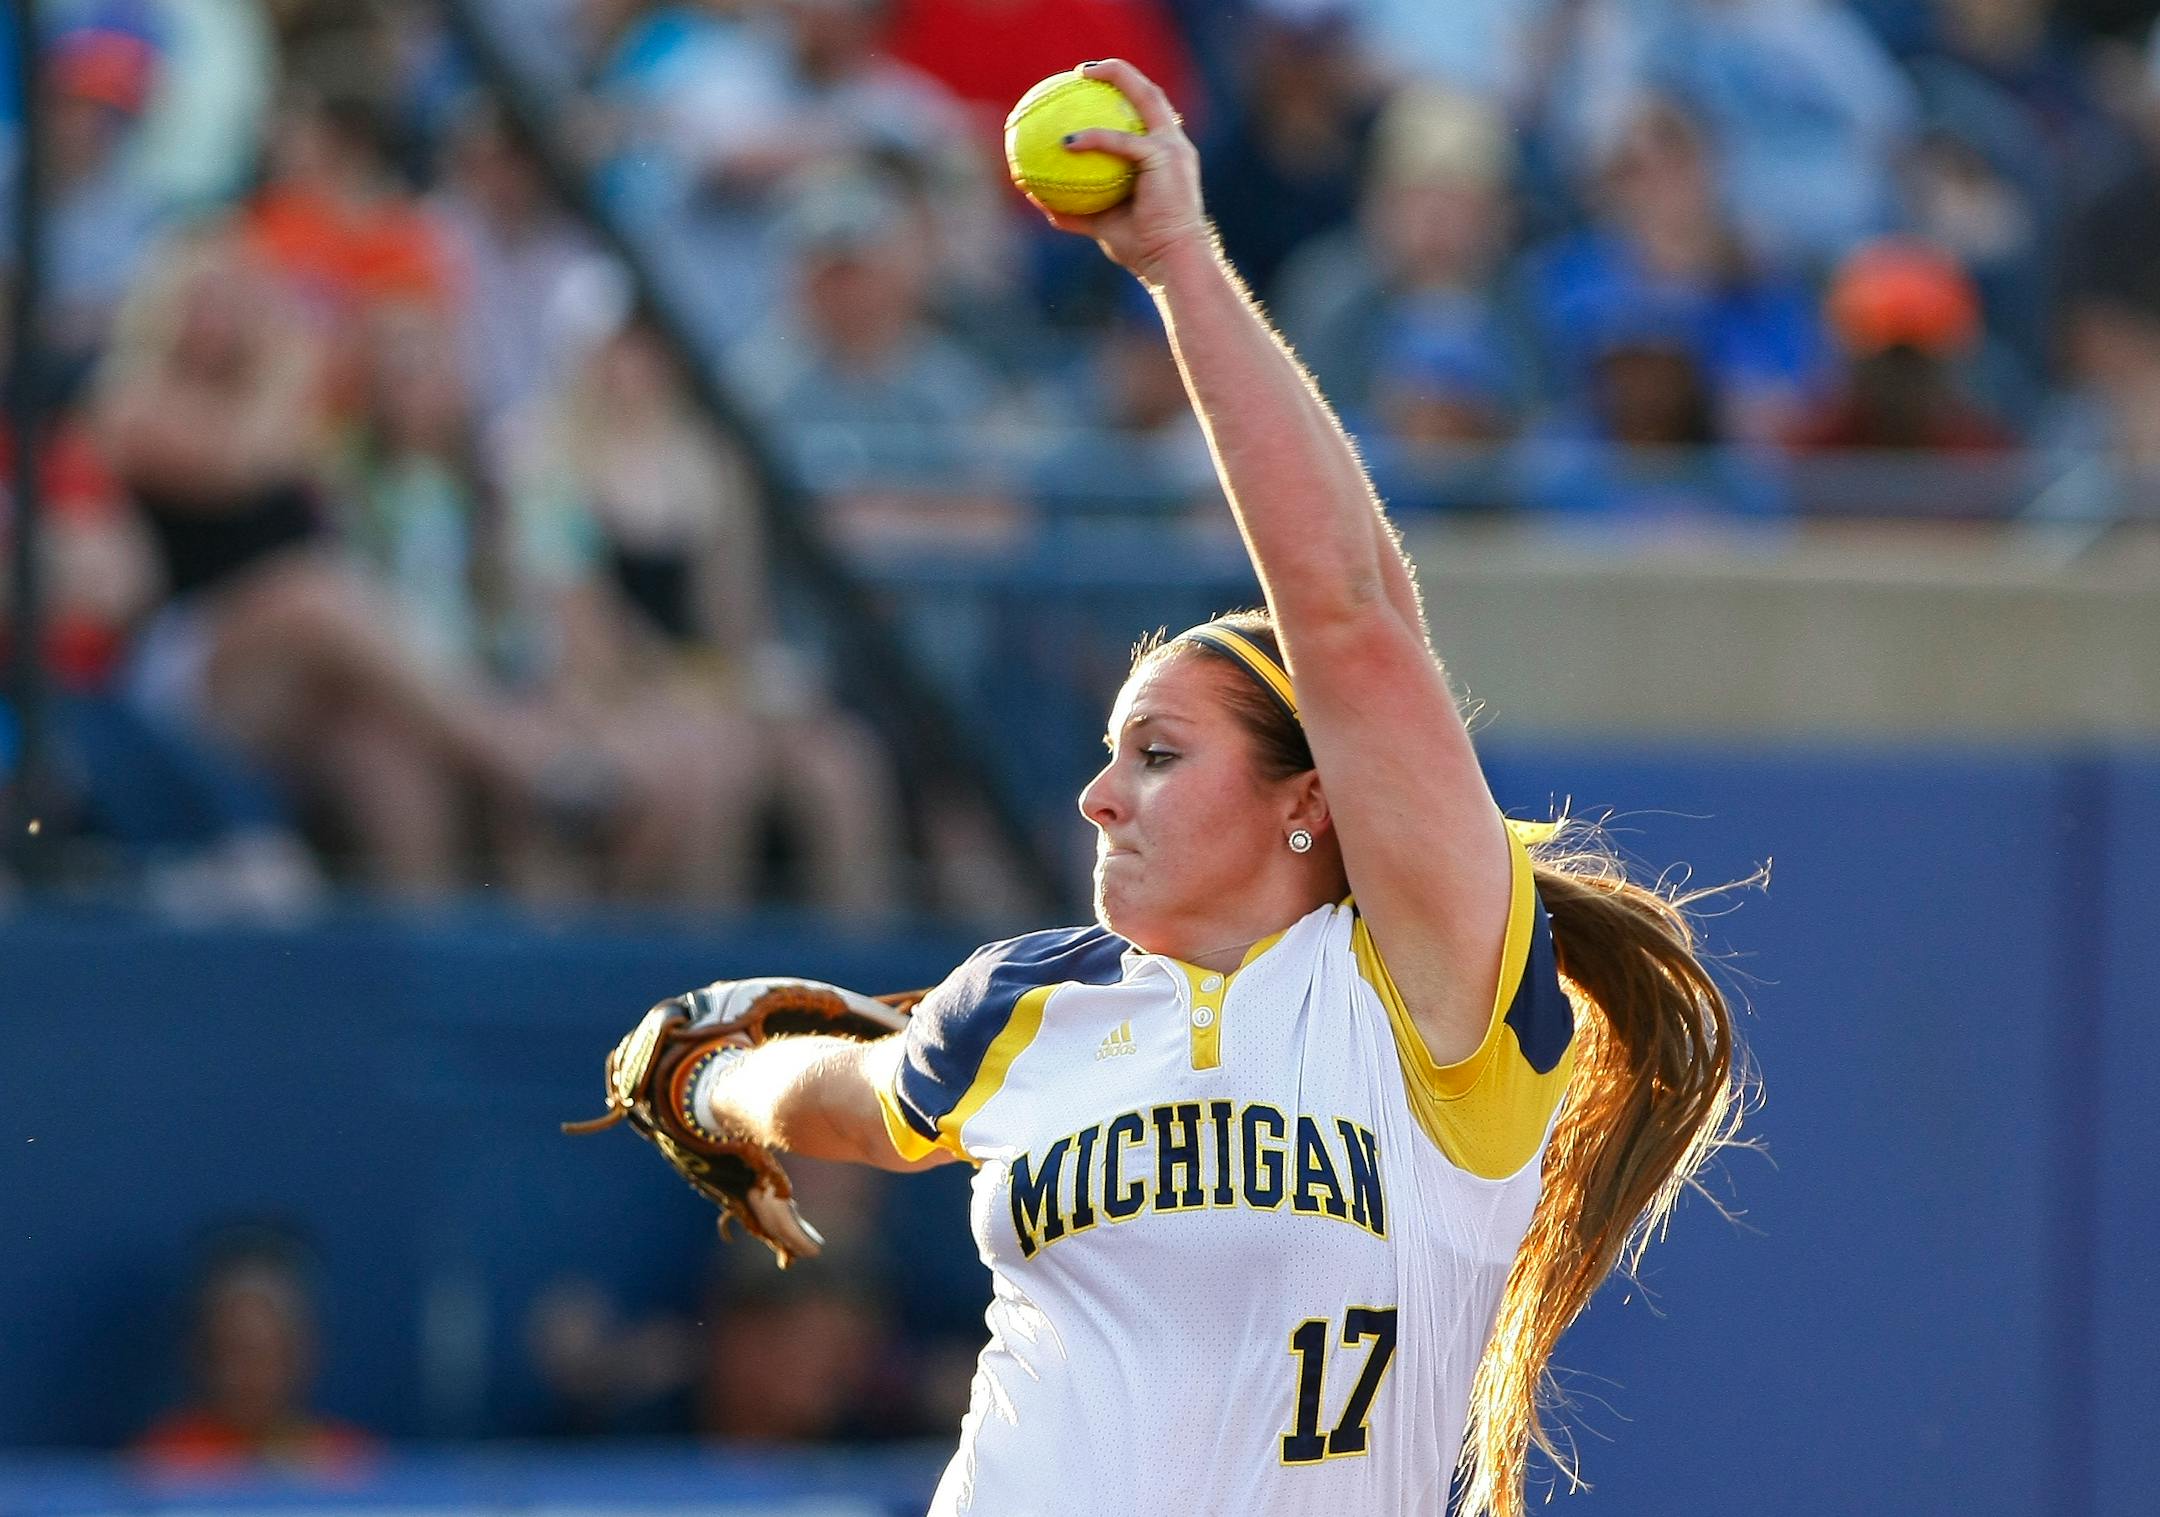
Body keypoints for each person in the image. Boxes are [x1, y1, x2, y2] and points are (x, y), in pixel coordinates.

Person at [678, 61, 1743, 1516]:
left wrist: (1176, 260)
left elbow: (1352, 609)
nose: (1100, 795)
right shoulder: (1029, 1004)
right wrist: (706, 1073)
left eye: (1160, 752)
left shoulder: (1432, 998)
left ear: (1312, 797)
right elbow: (855, 1097)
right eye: (1113, 752)